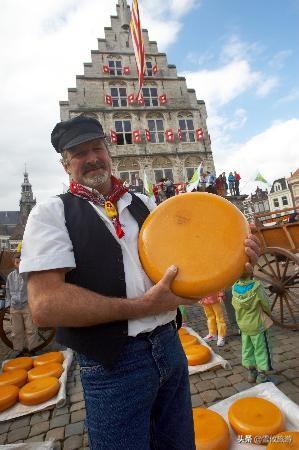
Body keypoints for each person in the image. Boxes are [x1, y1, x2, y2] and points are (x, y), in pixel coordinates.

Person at [20, 116, 260, 450]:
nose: (91, 158)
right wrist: (141, 307)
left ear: (108, 151)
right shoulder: (50, 214)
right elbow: (45, 306)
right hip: (113, 365)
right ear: (65, 164)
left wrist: (238, 264)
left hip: (169, 347)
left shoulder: (146, 205)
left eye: (96, 148)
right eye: (78, 153)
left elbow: (193, 265)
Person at [232, 274, 274, 383]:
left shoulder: (234, 288)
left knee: (247, 348)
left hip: (244, 325)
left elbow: (235, 306)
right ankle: (262, 375)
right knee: (261, 349)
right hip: (257, 324)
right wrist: (267, 314)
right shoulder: (257, 286)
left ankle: (251, 373)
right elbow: (265, 304)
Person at [5, 253, 39, 356]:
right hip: (15, 307)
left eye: (21, 262)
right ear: (14, 263)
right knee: (16, 330)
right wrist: (9, 303)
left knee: (31, 329)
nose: (19, 264)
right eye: (17, 262)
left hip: (27, 306)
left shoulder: (28, 275)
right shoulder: (10, 276)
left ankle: (32, 349)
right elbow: (7, 290)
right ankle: (18, 350)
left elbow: (34, 288)